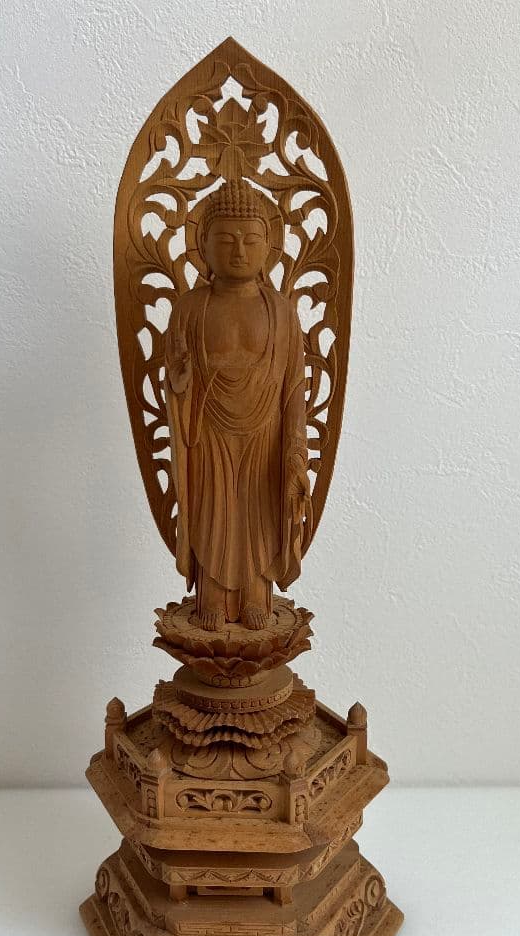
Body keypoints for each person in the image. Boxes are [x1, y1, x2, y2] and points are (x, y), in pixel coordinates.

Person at [165, 181, 311, 631]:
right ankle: (212, 594)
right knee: (214, 510)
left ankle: (255, 596)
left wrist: (295, 449)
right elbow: (176, 377)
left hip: (266, 431)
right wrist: (181, 383)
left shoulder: (282, 312)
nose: (239, 251)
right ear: (203, 245)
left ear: (269, 245)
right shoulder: (189, 309)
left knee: (259, 512)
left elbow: (293, 387)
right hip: (208, 430)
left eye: (250, 239)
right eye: (225, 240)